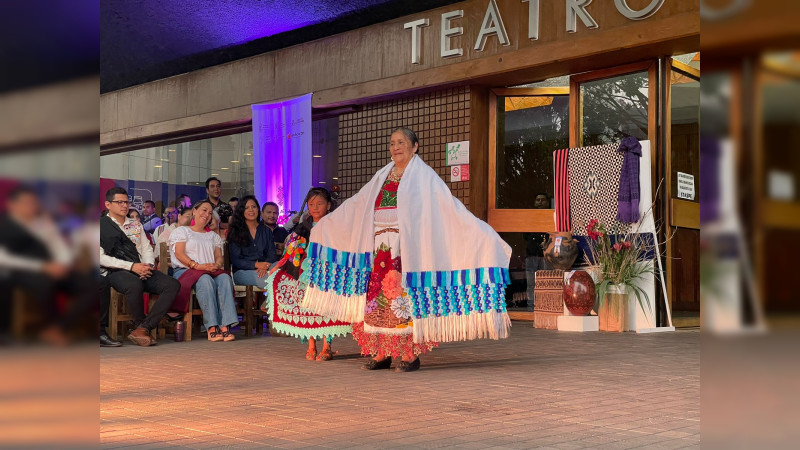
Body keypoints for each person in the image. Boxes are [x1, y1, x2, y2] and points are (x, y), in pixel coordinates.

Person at [301, 128, 512, 372]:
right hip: (379, 250)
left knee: (403, 302)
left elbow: (449, 209)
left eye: (401, 142)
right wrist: (326, 225)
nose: (395, 147)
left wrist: (483, 235)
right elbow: (357, 205)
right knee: (376, 302)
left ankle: (409, 354)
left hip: (407, 252)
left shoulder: (425, 177)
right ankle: (381, 353)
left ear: (415, 146)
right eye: (392, 143)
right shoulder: (382, 176)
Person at [265, 188, 352, 361]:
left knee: (326, 308)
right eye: (311, 204)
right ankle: (311, 345)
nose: (315, 208)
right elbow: (290, 252)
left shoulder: (335, 224)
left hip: (328, 272)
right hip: (304, 272)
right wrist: (279, 266)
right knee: (306, 306)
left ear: (328, 205)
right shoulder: (303, 226)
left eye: (319, 204)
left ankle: (327, 346)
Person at [0, 187, 92, 346]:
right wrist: (43, 267)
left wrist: (62, 264)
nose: (31, 206)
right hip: (21, 271)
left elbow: (60, 247)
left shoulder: (43, 223)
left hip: (54, 268)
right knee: (44, 283)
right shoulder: (4, 225)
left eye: (33, 202)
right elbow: (4, 258)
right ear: (12, 205)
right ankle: (50, 326)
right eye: (25, 203)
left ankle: (59, 328)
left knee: (91, 285)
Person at [100, 187, 180, 347]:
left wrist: (148, 266)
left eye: (126, 202)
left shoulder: (135, 225)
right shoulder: (100, 226)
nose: (124, 206)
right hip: (117, 271)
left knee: (172, 284)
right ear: (108, 204)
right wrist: (132, 267)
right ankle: (139, 324)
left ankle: (143, 328)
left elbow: (146, 248)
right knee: (133, 284)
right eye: (119, 202)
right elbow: (101, 258)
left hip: (141, 268)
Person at [169, 200, 238, 342]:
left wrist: (217, 265)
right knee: (205, 279)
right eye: (204, 210)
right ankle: (211, 326)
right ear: (194, 211)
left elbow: (219, 257)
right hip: (186, 270)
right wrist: (197, 266)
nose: (207, 214)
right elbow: (179, 254)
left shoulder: (213, 236)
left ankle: (225, 325)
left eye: (210, 213)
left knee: (225, 278)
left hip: (209, 270)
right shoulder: (182, 231)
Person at [227, 195, 279, 289]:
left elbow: (272, 254)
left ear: (258, 209)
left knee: (281, 270)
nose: (251, 210)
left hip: (266, 268)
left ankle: (268, 303)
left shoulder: (266, 230)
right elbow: (236, 260)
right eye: (246, 208)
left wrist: (265, 265)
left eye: (254, 207)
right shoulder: (235, 231)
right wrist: (256, 265)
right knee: (271, 280)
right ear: (241, 211)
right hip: (242, 272)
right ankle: (267, 303)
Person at [523, 193, 553, 312]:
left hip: (546, 255)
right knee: (531, 284)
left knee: (546, 282)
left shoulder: (551, 216)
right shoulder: (530, 217)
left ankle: (546, 308)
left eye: (543, 200)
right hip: (531, 255)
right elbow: (525, 235)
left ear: (547, 202)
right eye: (538, 200)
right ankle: (531, 308)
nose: (540, 202)